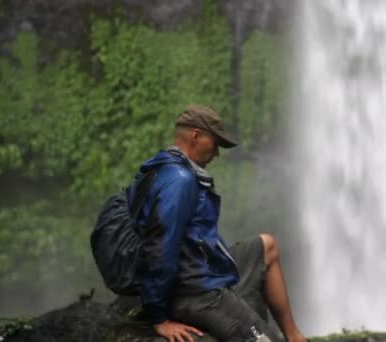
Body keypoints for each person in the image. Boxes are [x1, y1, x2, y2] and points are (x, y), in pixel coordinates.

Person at [129, 105, 306, 342]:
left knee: (267, 246)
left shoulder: (168, 168)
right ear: (195, 136)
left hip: (203, 271)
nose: (217, 153)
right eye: (215, 143)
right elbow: (160, 248)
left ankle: (294, 337)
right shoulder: (179, 180)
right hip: (195, 292)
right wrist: (159, 318)